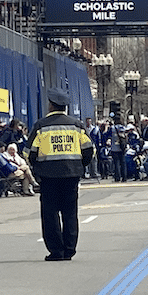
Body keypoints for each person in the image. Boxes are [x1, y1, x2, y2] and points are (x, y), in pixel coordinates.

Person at [28, 93, 94, 260]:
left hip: (48, 176)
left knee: (50, 214)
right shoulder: (76, 125)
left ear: (51, 105)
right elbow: (88, 150)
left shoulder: (41, 126)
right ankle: (69, 249)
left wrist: (38, 168)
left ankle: (56, 251)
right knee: (70, 213)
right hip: (71, 175)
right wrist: (79, 166)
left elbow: (29, 152)